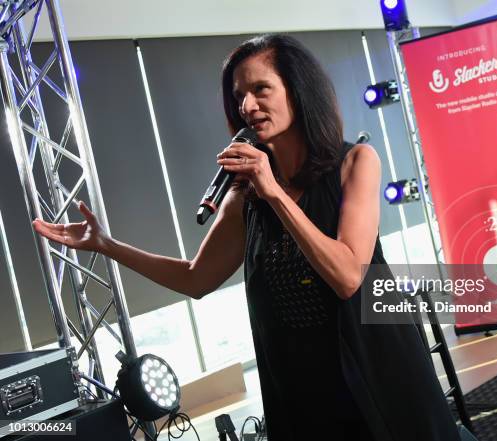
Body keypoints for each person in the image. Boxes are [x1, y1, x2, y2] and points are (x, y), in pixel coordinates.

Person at [33, 34, 460, 441]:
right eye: (239, 96)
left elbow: (348, 275)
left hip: (376, 371)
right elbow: (196, 279)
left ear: (297, 90)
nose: (247, 105)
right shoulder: (245, 193)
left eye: (260, 89)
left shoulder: (355, 163)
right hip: (303, 389)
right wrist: (105, 244)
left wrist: (273, 191)